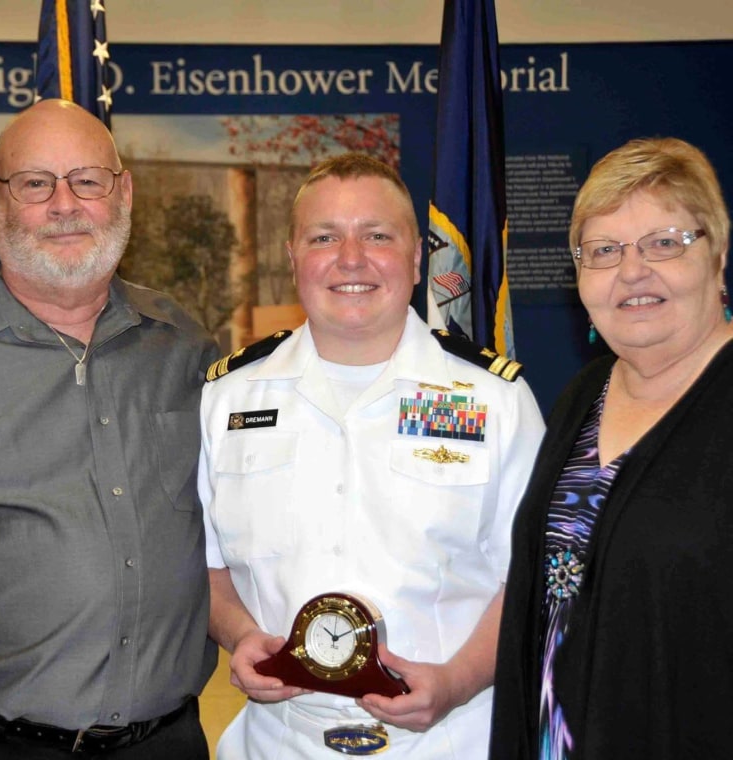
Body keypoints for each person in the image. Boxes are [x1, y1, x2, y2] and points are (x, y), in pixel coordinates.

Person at [199, 152, 545, 759]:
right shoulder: (226, 400)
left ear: (415, 259)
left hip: (447, 741)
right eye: (324, 236)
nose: (350, 258)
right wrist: (240, 634)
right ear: (292, 257)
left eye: (377, 236)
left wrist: (458, 680)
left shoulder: (496, 401)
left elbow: (534, 577)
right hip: (279, 743)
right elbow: (201, 564)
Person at [0, 99, 218, 759]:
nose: (64, 204)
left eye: (87, 180)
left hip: (168, 742)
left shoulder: (183, 345)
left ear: (123, 192)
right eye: (35, 184)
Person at [489, 137, 733, 760]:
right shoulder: (584, 394)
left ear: (718, 253)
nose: (631, 270)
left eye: (664, 242)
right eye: (604, 250)